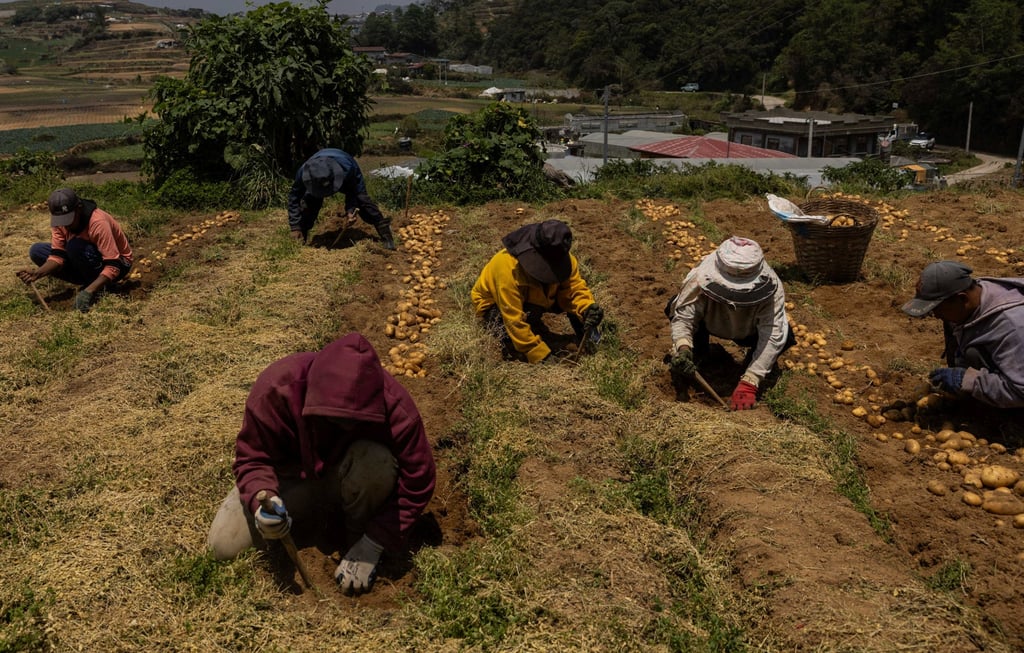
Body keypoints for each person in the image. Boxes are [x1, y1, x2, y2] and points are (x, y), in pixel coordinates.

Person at [206, 333, 436, 596]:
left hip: (347, 479)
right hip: (289, 482)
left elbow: (419, 479)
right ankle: (305, 517)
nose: (344, 427)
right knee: (223, 547)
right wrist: (264, 502)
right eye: (333, 420)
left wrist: (375, 541)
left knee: (377, 463)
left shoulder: (394, 407)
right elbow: (253, 457)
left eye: (354, 422)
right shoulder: (276, 389)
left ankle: (354, 532)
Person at [666, 236, 794, 411]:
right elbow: (684, 317)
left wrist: (751, 380)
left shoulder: (772, 290)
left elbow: (773, 335)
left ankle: (749, 367)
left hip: (748, 331)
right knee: (673, 306)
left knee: (786, 334)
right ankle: (699, 354)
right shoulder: (699, 278)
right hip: (708, 323)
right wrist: (683, 347)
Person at [471, 219, 604, 364]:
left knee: (574, 308)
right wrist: (540, 355)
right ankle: (520, 345)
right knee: (503, 329)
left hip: (538, 299)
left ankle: (592, 340)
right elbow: (512, 319)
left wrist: (586, 308)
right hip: (496, 305)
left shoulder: (565, 260)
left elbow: (573, 289)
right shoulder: (507, 269)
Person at [902, 260, 1024, 408]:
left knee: (975, 353)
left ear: (962, 298)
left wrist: (969, 381)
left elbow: (1021, 391)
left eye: (938, 309)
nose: (935, 315)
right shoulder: (970, 299)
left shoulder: (1013, 327)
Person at [15, 188, 133, 313]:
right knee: (37, 251)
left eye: (68, 220)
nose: (65, 225)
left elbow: (113, 265)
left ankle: (103, 286)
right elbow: (57, 256)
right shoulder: (59, 222)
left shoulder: (98, 222)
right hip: (84, 256)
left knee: (74, 247)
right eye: (61, 220)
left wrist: (89, 291)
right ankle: (89, 281)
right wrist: (37, 273)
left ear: (79, 208)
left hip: (118, 264)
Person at [286, 148, 395, 250]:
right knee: (309, 203)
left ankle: (386, 234)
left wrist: (351, 210)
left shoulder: (347, 169)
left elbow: (352, 192)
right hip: (318, 173)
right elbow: (294, 197)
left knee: (362, 201)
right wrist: (295, 226)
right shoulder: (304, 172)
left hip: (348, 167)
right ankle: (301, 237)